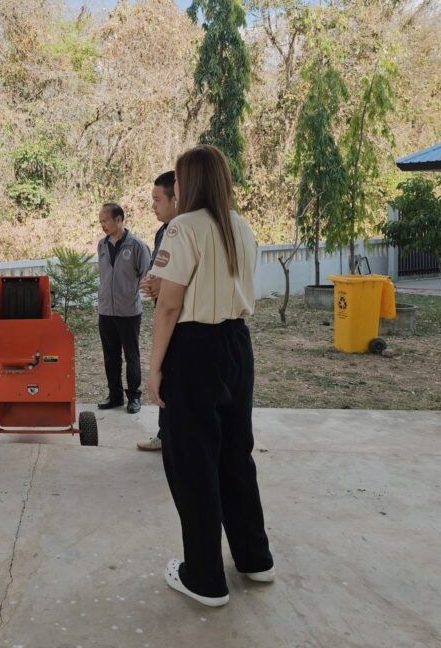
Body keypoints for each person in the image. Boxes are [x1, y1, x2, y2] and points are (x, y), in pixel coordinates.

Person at [147, 145, 275, 607]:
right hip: (236, 344)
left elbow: (169, 305)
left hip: (195, 349)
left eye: (179, 179)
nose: (177, 187)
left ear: (191, 182)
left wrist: (154, 367)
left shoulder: (183, 227)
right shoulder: (240, 226)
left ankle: (203, 577)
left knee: (193, 460)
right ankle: (255, 559)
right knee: (235, 454)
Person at [96, 203, 151, 414]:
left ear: (119, 220)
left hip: (129, 312)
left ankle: (134, 397)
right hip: (106, 311)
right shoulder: (102, 245)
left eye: (106, 220)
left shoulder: (136, 245)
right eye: (101, 221)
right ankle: (115, 395)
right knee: (110, 357)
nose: (103, 225)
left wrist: (133, 290)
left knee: (131, 355)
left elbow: (147, 275)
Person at [138, 170, 177, 451]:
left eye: (158, 200)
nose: (153, 206)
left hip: (179, 319)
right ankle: (165, 434)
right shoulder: (163, 232)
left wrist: (161, 285)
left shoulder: (185, 232)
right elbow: (157, 270)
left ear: (176, 199)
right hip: (162, 310)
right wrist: (150, 281)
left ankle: (172, 437)